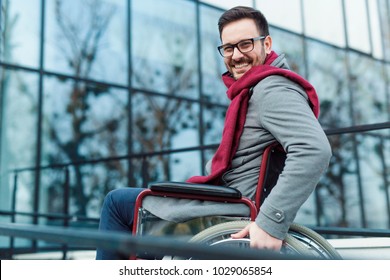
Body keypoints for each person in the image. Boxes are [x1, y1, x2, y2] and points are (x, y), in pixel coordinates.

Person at [96, 6, 331, 260]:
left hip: (228, 214)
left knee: (116, 203)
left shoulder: (272, 90)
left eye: (245, 44)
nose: (236, 55)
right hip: (227, 207)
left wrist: (269, 224)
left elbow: (313, 150)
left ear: (267, 43)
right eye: (228, 48)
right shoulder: (256, 89)